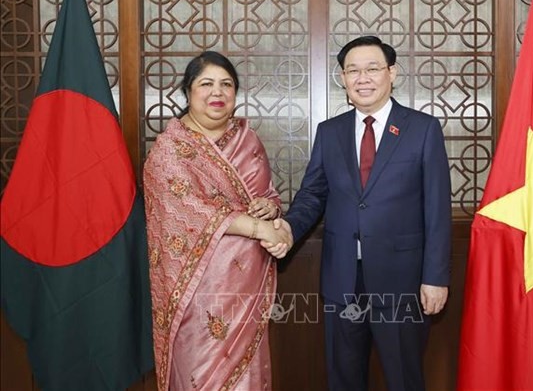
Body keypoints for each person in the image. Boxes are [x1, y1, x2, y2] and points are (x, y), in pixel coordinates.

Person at [270, 36, 452, 391]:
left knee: (404, 377)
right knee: (344, 378)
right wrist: (289, 228)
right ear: (342, 78)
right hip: (342, 279)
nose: (362, 78)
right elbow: (313, 194)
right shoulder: (330, 132)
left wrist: (435, 277)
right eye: (353, 70)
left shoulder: (422, 129)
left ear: (392, 73)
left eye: (372, 68)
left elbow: (437, 209)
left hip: (402, 280)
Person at [143, 51, 290, 391]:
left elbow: (266, 195)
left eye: (227, 84)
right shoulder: (170, 149)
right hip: (195, 289)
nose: (217, 92)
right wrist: (255, 227)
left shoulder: (247, 139)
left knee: (247, 377)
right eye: (206, 84)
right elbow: (187, 207)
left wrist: (268, 210)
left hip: (245, 286)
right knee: (200, 376)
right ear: (188, 92)